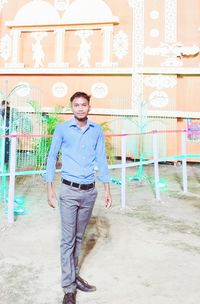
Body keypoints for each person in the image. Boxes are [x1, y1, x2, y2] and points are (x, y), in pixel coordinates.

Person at [46, 91, 112, 304]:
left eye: (84, 105)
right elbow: (52, 156)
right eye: (76, 105)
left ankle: (74, 276)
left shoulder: (96, 130)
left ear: (89, 108)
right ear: (72, 107)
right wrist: (49, 187)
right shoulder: (63, 129)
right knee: (67, 240)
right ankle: (68, 288)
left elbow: (101, 159)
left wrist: (107, 189)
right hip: (69, 191)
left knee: (78, 237)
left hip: (89, 191)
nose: (80, 108)